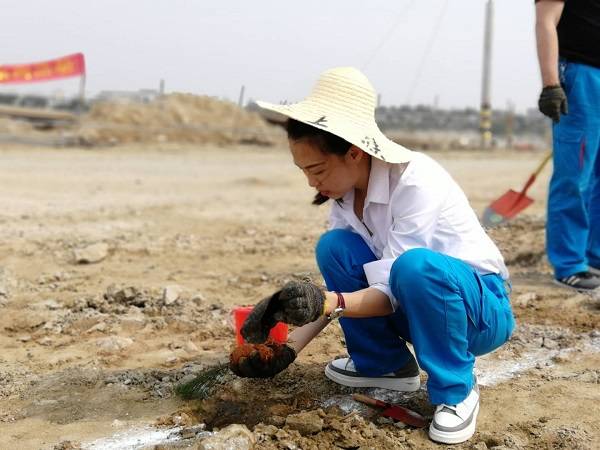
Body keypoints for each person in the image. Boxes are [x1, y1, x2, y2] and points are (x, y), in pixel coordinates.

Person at [230, 67, 515, 445]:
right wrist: (286, 348)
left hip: (477, 311)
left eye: (316, 169)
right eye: (303, 171)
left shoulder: (416, 180)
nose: (311, 182)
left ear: (354, 152)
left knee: (415, 266)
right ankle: (385, 365)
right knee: (334, 248)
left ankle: (456, 390)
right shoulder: (346, 196)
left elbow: (385, 291)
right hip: (417, 305)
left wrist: (325, 302)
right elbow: (349, 294)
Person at [535, 0, 600, 290]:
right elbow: (546, 21)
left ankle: (595, 256)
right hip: (580, 74)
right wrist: (551, 84)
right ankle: (569, 263)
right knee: (575, 175)